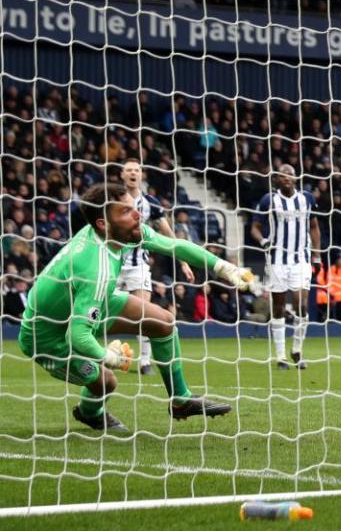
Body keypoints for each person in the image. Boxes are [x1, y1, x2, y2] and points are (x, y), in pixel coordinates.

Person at [18, 183, 257, 432]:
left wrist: (224, 268)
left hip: (80, 305)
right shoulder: (95, 269)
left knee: (163, 322)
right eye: (126, 211)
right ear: (103, 223)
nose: (137, 215)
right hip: (46, 336)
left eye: (134, 208)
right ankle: (90, 413)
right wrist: (110, 357)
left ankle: (180, 400)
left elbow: (175, 246)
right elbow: (77, 336)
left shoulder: (122, 233)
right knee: (106, 382)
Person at [118, 158, 194, 375]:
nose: (132, 173)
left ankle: (145, 362)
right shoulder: (112, 199)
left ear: (141, 175)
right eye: (128, 170)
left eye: (136, 170)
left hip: (138, 265)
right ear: (122, 175)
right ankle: (99, 356)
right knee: (98, 313)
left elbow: (168, 235)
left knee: (144, 313)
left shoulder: (150, 203)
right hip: (112, 263)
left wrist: (183, 261)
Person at [250, 164, 321, 370]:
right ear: (276, 180)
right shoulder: (268, 200)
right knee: (279, 306)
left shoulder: (307, 198)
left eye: (289, 173)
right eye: (282, 175)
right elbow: (255, 227)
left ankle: (297, 350)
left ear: (295, 177)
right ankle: (280, 356)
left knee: (301, 303)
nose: (286, 177)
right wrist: (263, 241)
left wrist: (316, 254)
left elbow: (314, 227)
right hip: (277, 260)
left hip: (301, 259)